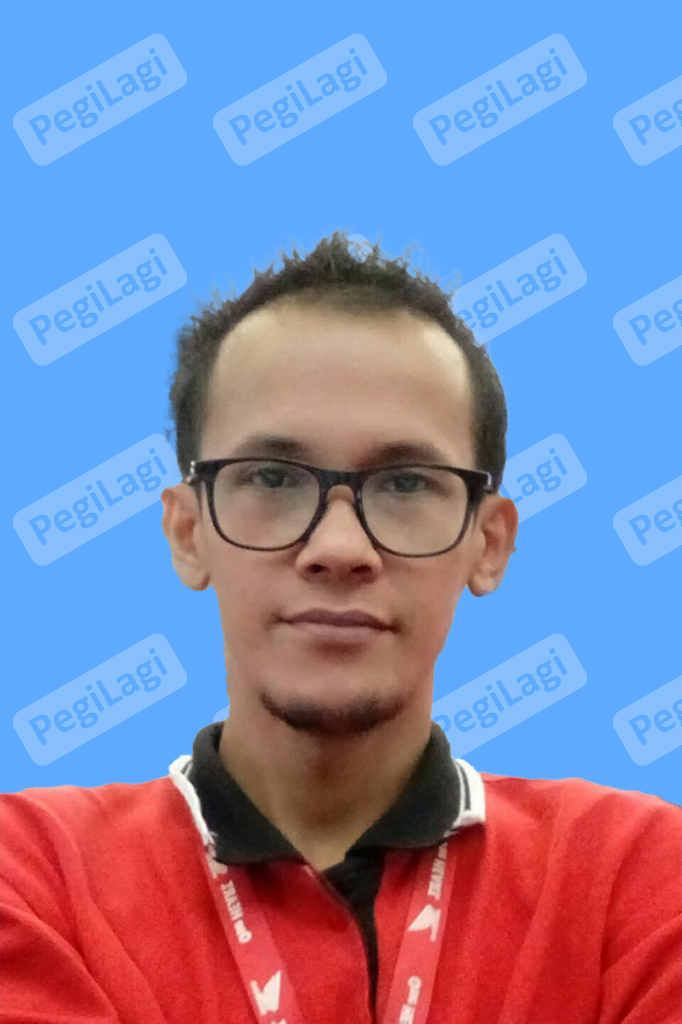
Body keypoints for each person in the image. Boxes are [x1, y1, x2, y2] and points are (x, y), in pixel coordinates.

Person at [1, 231, 680, 1024]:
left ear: (489, 542)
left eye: (405, 483)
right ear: (187, 531)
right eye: (272, 477)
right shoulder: (34, 873)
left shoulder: (637, 877)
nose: (339, 548)